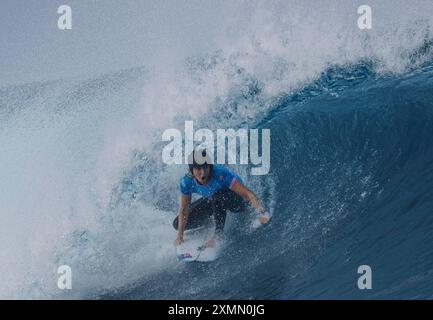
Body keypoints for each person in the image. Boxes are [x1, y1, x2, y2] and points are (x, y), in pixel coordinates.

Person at [173, 149, 271, 248]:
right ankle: (210, 221)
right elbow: (184, 209)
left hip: (236, 201)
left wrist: (261, 212)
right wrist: (180, 236)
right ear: (191, 170)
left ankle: (217, 236)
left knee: (217, 195)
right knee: (177, 224)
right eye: (198, 169)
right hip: (213, 199)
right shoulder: (186, 182)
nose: (203, 173)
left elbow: (247, 193)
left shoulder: (220, 174)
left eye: (205, 167)